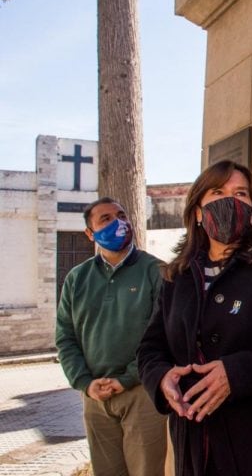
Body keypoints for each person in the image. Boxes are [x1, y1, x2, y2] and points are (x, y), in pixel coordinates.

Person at [137, 160, 252, 476]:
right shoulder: (176, 276)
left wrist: (236, 374)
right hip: (196, 443)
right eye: (217, 192)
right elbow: (150, 349)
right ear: (198, 211)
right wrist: (160, 379)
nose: (231, 200)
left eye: (241, 193)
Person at [55, 197, 167, 476]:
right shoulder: (76, 279)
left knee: (147, 471)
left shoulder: (157, 272)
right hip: (95, 396)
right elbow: (65, 337)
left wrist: (127, 378)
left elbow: (164, 334)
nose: (119, 223)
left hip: (142, 392)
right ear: (90, 233)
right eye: (105, 219)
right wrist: (85, 382)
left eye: (121, 215)